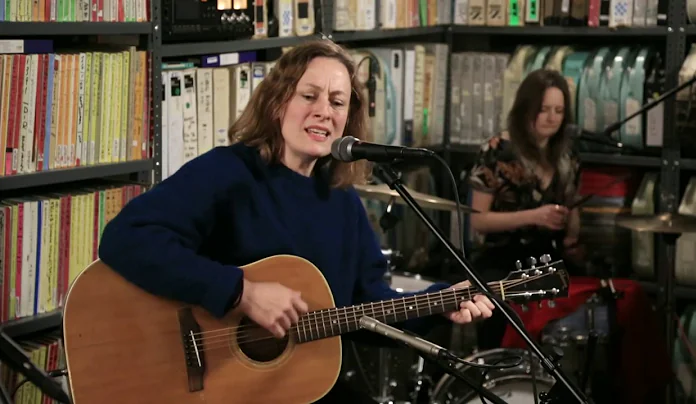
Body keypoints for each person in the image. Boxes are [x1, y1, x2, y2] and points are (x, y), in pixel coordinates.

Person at [97, 39, 495, 404]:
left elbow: (367, 307)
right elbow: (126, 238)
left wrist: (439, 303)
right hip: (217, 387)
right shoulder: (227, 173)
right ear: (277, 103)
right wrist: (241, 292)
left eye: (338, 103)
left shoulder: (343, 204)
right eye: (310, 95)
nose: (324, 110)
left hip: (294, 386)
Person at [465, 68, 583, 349]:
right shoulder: (496, 149)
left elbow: (572, 211)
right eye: (543, 109)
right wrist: (535, 216)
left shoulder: (567, 155)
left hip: (548, 259)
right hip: (502, 260)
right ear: (525, 110)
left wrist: (571, 227)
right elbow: (478, 221)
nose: (552, 118)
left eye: (559, 110)